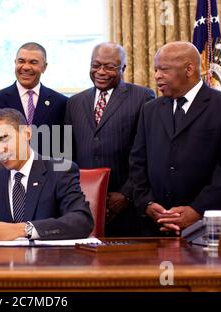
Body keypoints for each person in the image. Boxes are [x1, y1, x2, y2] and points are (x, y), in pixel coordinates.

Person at [129, 41, 221, 236]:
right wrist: (147, 203)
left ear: (189, 69)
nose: (157, 76)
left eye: (163, 69)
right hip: (155, 225)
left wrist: (196, 210)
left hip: (207, 226)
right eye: (155, 70)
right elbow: (137, 162)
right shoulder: (150, 109)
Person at [0, 108, 93, 241]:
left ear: (27, 134)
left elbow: (82, 221)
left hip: (47, 264)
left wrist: (23, 229)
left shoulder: (60, 171)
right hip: (3, 266)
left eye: (4, 138)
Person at [65, 42, 155, 236]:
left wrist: (126, 194)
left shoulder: (143, 97)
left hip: (127, 204)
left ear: (123, 68)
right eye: (95, 65)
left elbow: (147, 151)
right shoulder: (74, 102)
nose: (101, 71)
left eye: (109, 66)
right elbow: (66, 154)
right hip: (83, 203)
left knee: (125, 263)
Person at [0, 42, 67, 157]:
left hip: (48, 172)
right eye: (21, 61)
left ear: (44, 67)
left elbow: (64, 147)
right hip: (7, 171)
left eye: (33, 62)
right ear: (15, 63)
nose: (26, 67)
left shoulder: (60, 103)